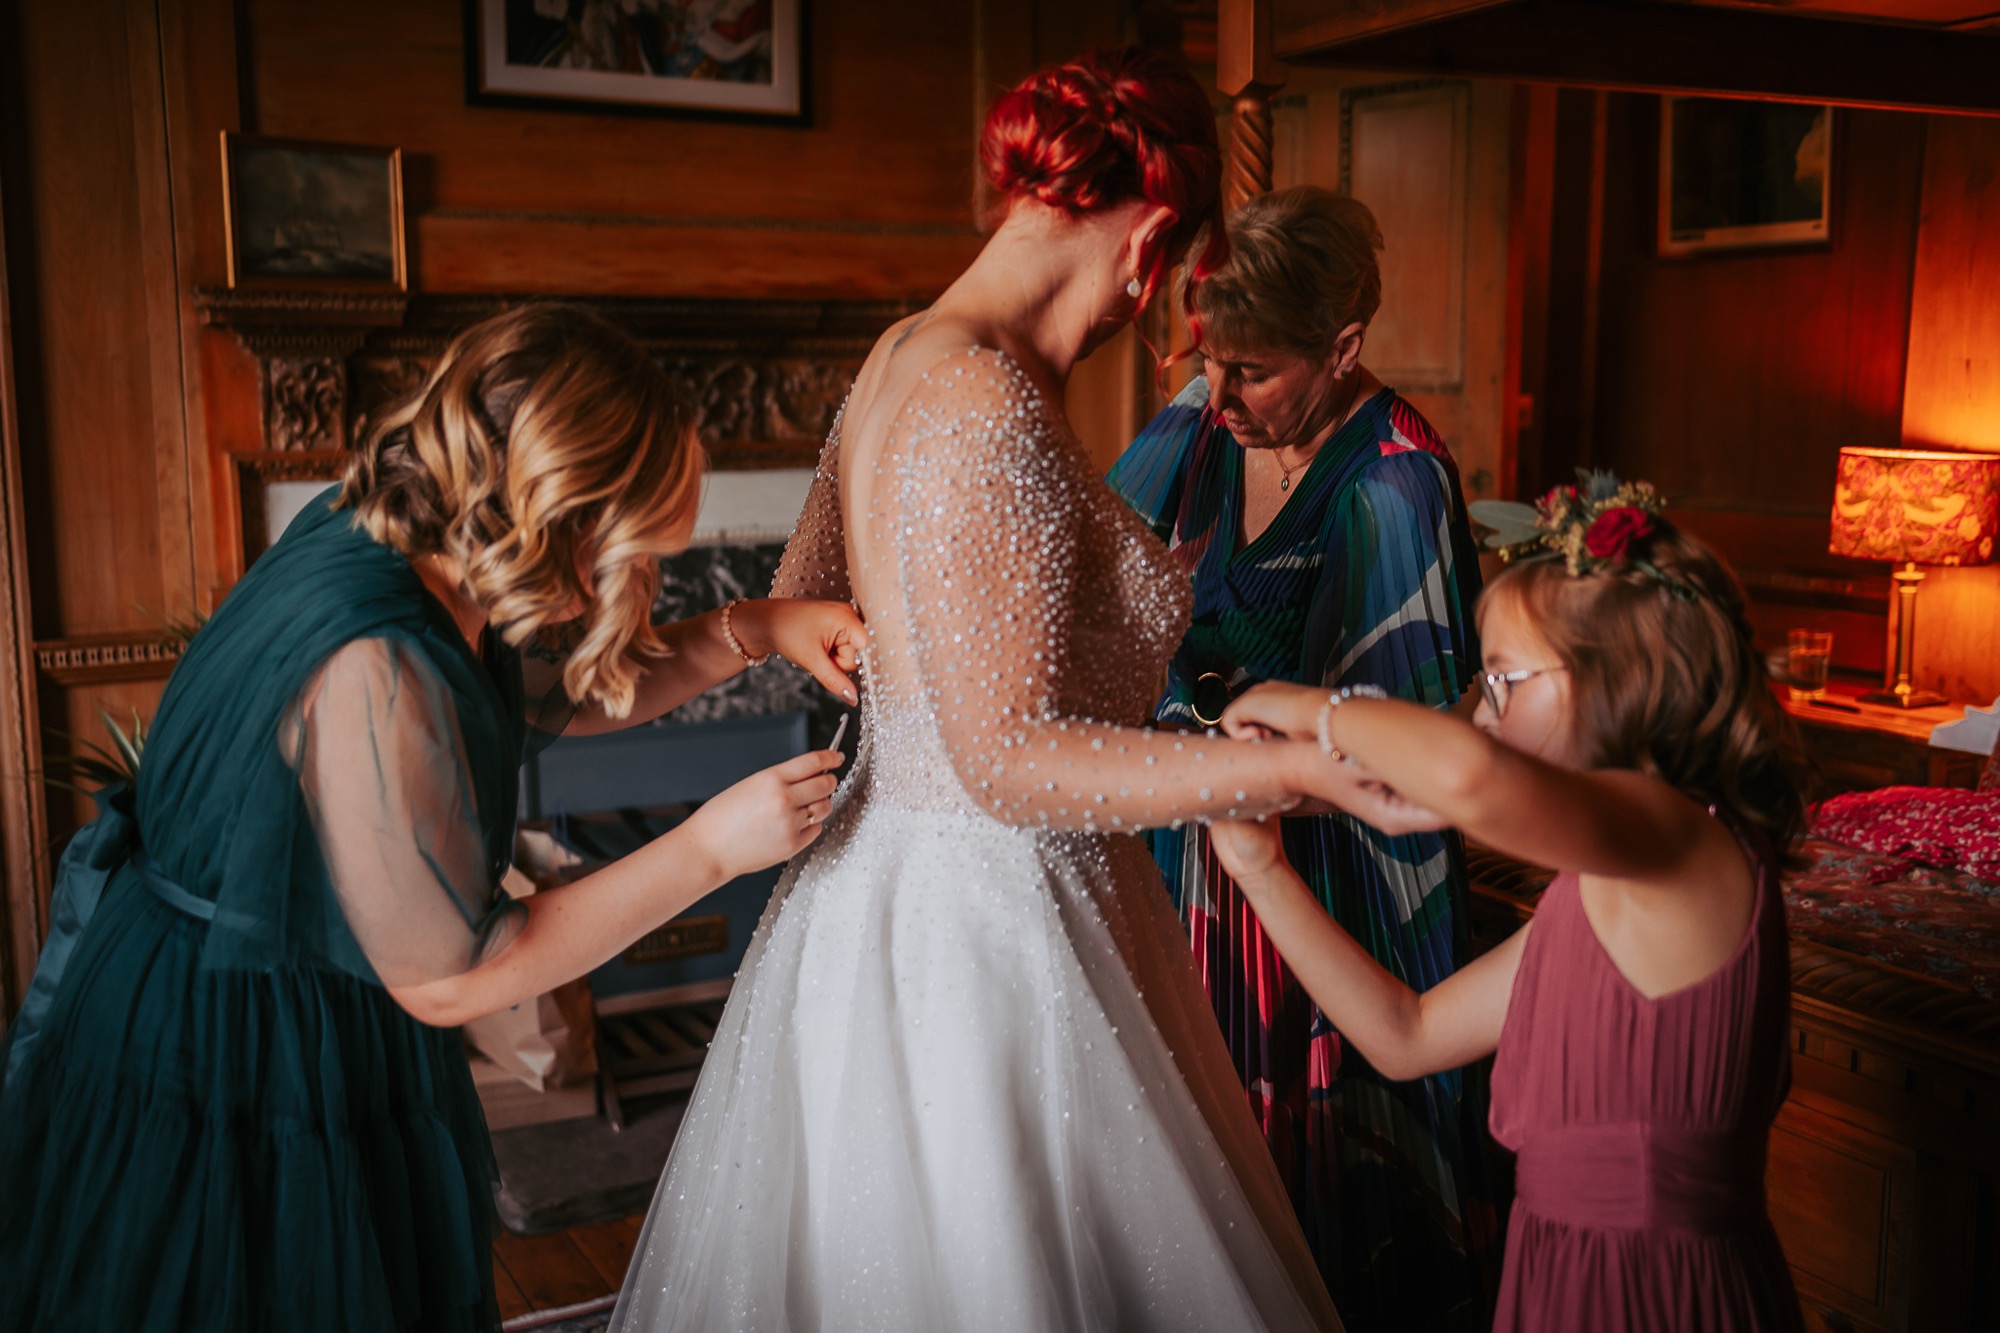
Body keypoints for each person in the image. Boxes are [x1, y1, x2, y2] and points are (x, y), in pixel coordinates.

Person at [610, 48, 1350, 1333]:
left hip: (881, 893)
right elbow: (1005, 758)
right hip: (993, 927)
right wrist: (1291, 764)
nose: (1148, 310)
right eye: (1169, 275)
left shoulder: (900, 356)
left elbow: (810, 601)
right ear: (1149, 242)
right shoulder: (983, 396)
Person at [0, 302, 865, 1333]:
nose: (644, 579)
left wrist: (758, 625)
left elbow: (557, 694)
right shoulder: (375, 664)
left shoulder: (418, 542)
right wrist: (711, 848)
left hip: (303, 984)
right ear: (554, 512)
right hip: (237, 1032)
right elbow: (454, 976)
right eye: (635, 550)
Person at [1208, 476, 1810, 1333]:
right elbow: (1407, 1035)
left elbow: (1470, 774)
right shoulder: (1596, 886)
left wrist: (1304, 707)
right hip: (1557, 1273)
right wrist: (1262, 870)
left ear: (1616, 677)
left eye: (1503, 682)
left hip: (1656, 1291)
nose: (1485, 719)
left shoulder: (1683, 841)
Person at [1105, 185, 1496, 1328]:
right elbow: (1092, 577)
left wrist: (1192, 719)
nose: (1217, 394)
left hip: (1320, 884)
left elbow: (1383, 755)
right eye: (1205, 361)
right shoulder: (1201, 419)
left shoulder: (1394, 485)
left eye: (1253, 371)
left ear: (1342, 346)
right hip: (1191, 843)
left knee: (1298, 1197)